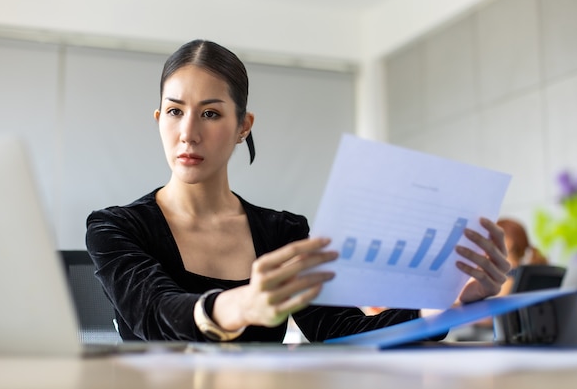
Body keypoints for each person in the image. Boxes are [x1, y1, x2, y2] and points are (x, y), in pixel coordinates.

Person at [85, 39, 510, 343]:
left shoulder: (283, 232)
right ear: (159, 118)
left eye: (211, 113)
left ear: (243, 126)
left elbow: (338, 331)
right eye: (175, 111)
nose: (188, 133)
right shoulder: (115, 228)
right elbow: (154, 315)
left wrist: (443, 307)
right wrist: (245, 305)